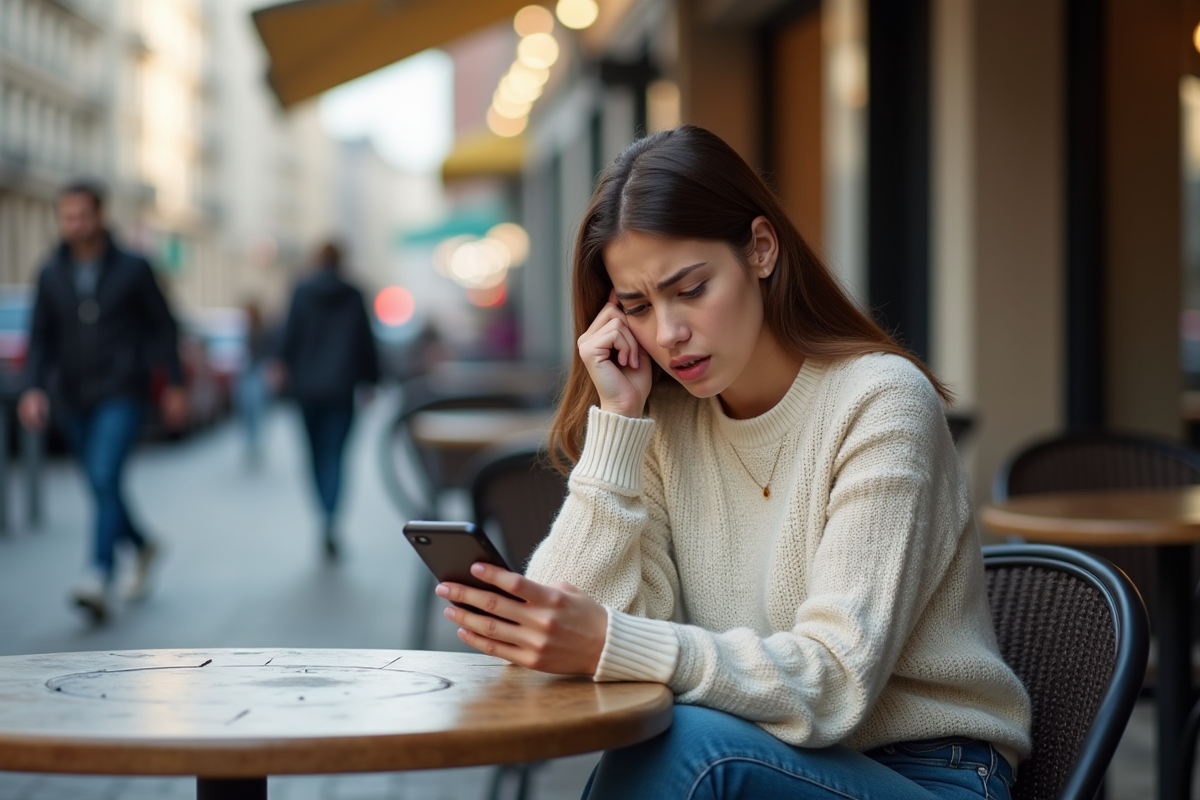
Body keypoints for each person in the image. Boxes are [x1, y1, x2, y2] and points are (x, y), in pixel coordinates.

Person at [431, 126, 1033, 800]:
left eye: (690, 289)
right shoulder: (665, 423)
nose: (667, 333)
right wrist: (617, 426)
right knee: (676, 750)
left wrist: (612, 641)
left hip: (930, 773)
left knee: (688, 749)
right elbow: (571, 652)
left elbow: (834, 682)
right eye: (636, 306)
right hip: (755, 760)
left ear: (761, 249)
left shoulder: (880, 401)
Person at [19, 180, 188, 624]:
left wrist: (173, 383)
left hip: (122, 390)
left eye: (82, 215)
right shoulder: (51, 272)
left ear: (99, 215)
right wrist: (33, 388)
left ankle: (98, 574)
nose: (74, 224)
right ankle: (142, 543)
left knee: (104, 472)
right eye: (67, 216)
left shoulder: (133, 268)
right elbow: (39, 337)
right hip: (72, 395)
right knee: (101, 483)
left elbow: (163, 326)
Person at [276, 241, 378, 560]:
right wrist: (371, 381)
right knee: (335, 455)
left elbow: (288, 336)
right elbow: (365, 341)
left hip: (307, 390)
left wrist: (280, 366)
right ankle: (331, 519)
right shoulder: (354, 294)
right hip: (342, 388)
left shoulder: (301, 291)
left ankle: (323, 513)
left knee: (315, 455)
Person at [234, 300, 271, 468]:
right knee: (247, 410)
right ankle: (251, 445)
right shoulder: (246, 330)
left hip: (256, 373)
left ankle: (254, 446)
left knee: (254, 409)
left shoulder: (260, 330)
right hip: (248, 373)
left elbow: (265, 352)